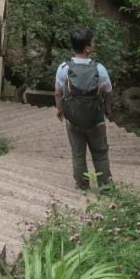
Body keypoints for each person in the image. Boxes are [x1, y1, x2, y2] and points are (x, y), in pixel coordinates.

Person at [54, 25, 114, 191]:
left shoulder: (63, 69)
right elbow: (109, 92)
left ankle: (82, 186)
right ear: (88, 48)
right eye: (92, 42)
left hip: (73, 120)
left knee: (78, 154)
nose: (93, 44)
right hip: (96, 120)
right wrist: (108, 109)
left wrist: (60, 110)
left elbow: (58, 93)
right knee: (100, 153)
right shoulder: (99, 69)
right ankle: (105, 188)